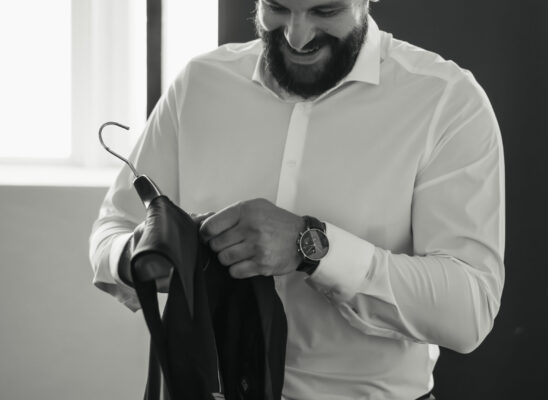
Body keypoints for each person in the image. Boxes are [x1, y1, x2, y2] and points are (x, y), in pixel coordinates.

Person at [89, 0, 505, 399]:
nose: (297, 37)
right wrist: (142, 255)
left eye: (325, 11)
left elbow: (468, 311)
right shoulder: (199, 84)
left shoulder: (446, 101)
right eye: (277, 8)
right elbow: (112, 229)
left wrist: (313, 247)